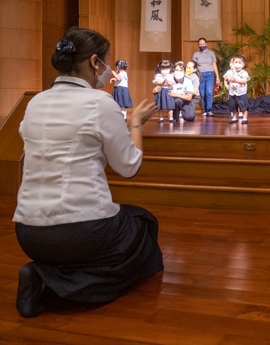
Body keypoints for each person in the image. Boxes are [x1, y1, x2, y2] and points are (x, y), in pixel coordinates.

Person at [13, 27, 161, 318]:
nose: (108, 69)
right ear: (95, 62)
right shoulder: (100, 102)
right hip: (81, 230)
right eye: (106, 62)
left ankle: (43, 271)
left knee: (94, 238)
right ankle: (53, 281)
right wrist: (136, 124)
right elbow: (129, 167)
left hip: (28, 232)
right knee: (143, 226)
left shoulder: (35, 102)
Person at [192, 38, 220, 116]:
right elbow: (193, 66)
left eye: (203, 44)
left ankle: (209, 110)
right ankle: (205, 110)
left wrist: (217, 77)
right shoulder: (196, 54)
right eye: (200, 44)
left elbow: (214, 65)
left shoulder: (211, 53)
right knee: (202, 93)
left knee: (209, 92)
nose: (201, 46)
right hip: (200, 75)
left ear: (206, 44)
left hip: (210, 74)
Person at [223, 54, 250, 124]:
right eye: (236, 62)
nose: (237, 64)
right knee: (233, 106)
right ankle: (234, 119)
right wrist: (229, 78)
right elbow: (226, 78)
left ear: (243, 64)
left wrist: (236, 80)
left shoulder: (244, 73)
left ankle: (244, 118)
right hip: (232, 93)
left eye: (239, 62)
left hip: (241, 93)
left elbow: (245, 81)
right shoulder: (230, 71)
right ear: (232, 63)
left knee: (243, 106)